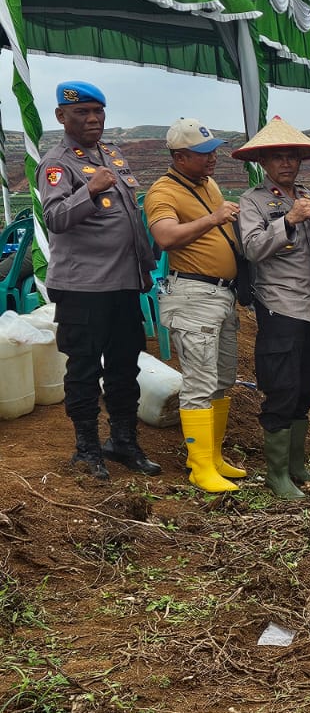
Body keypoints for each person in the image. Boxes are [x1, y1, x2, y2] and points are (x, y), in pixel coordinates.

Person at [36, 81, 160, 480]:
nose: (92, 119)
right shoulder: (56, 163)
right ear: (61, 117)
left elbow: (128, 217)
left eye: (98, 112)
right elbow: (55, 218)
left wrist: (144, 267)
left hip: (124, 284)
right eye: (82, 113)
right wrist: (89, 190)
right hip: (83, 288)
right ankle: (87, 447)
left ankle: (123, 440)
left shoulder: (112, 154)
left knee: (125, 365)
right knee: (84, 367)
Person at [144, 118, 248, 493]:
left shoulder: (208, 184)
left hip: (222, 294)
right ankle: (199, 466)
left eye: (213, 150)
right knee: (200, 382)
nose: (212, 158)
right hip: (193, 297)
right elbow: (165, 237)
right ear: (179, 156)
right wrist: (213, 218)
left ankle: (213, 457)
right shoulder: (163, 192)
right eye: (203, 154)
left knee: (221, 379)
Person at [235, 117, 310, 500]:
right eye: (277, 157)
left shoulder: (306, 194)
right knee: (282, 387)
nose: (286, 163)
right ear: (263, 161)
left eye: (292, 156)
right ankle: (276, 475)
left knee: (306, 386)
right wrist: (288, 221)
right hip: (279, 307)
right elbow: (253, 248)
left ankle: (296, 466)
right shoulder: (253, 201)